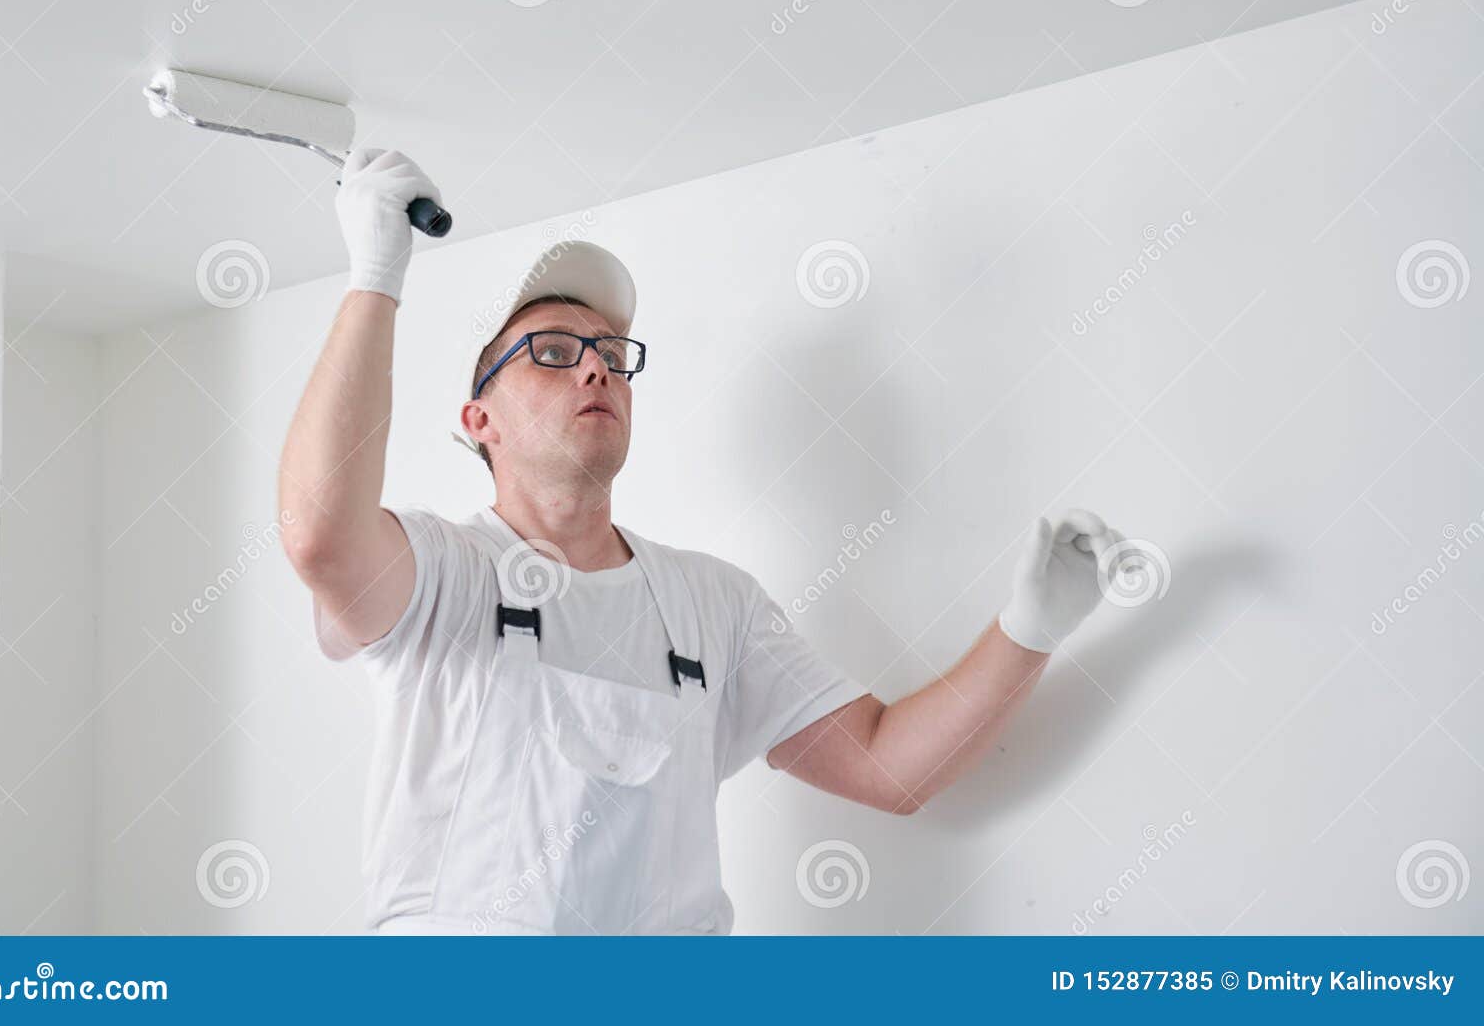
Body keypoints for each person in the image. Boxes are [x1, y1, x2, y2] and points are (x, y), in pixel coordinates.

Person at [278, 148, 1125, 935]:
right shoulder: (442, 575)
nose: (595, 368)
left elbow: (886, 766)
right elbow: (320, 533)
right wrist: (377, 272)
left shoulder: (712, 605)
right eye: (554, 351)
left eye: (611, 352)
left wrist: (1029, 628)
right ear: (480, 420)